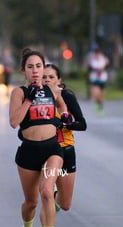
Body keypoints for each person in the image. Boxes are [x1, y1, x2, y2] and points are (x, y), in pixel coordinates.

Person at [9, 48, 69, 227]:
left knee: (46, 190)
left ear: (44, 69)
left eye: (39, 66)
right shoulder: (19, 93)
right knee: (31, 203)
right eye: (30, 67)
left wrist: (65, 116)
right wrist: (29, 100)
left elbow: (63, 108)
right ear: (23, 71)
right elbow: (14, 122)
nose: (35, 71)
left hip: (53, 149)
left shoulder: (52, 90)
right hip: (28, 152)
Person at [43, 64, 87, 213]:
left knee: (65, 205)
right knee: (46, 192)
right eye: (44, 77)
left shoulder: (67, 96)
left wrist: (66, 123)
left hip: (66, 149)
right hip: (46, 152)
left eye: (51, 77)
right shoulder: (37, 98)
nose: (47, 80)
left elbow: (82, 124)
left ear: (58, 80)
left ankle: (55, 194)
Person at [87, 45, 109, 116]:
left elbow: (104, 65)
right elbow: (92, 66)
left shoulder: (103, 59)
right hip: (95, 79)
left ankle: (100, 106)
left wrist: (102, 66)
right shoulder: (92, 60)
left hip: (102, 79)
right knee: (97, 93)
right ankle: (98, 104)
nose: (97, 55)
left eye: (98, 53)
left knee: (101, 95)